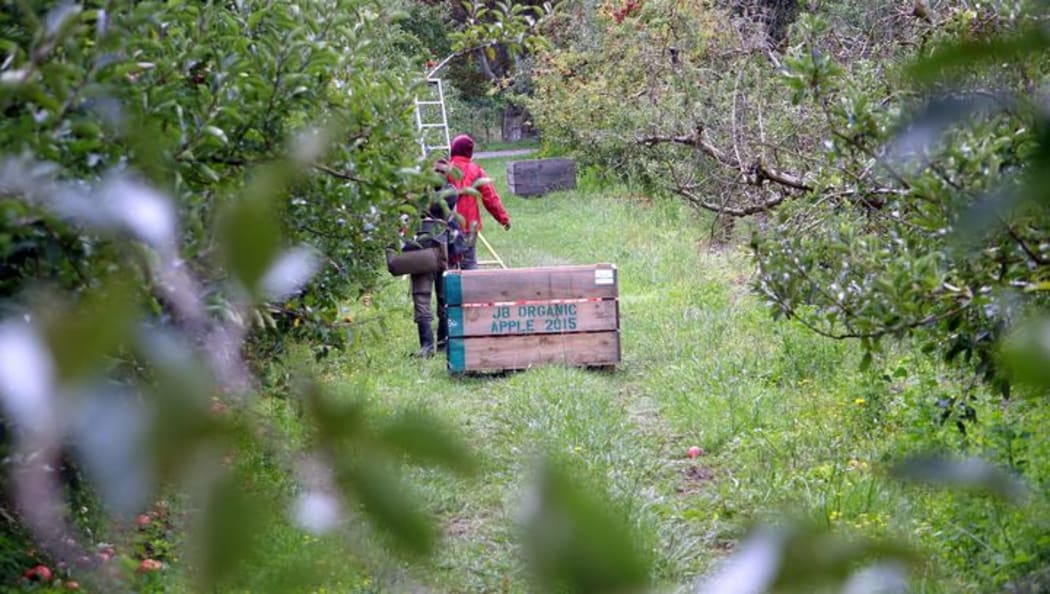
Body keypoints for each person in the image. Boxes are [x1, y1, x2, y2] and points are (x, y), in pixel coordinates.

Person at [408, 160, 467, 357]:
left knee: (442, 297)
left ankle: (440, 341)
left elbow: (431, 205)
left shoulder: (447, 192)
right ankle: (429, 345)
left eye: (440, 172)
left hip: (440, 250)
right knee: (423, 296)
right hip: (426, 249)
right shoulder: (423, 192)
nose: (437, 175)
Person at [445, 134, 511, 270]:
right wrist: (503, 218)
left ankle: (449, 283)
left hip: (446, 225)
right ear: (469, 152)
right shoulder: (476, 171)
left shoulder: (444, 170)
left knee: (447, 263)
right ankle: (472, 283)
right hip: (469, 225)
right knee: (469, 262)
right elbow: (490, 198)